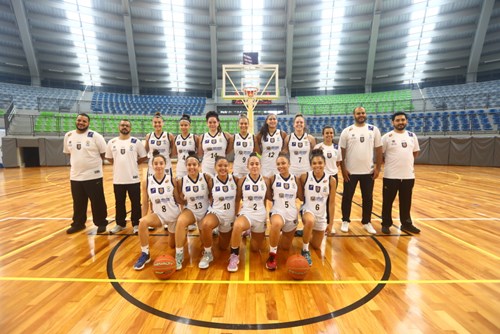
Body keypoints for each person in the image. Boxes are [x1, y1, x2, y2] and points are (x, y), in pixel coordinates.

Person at [133, 151, 182, 270]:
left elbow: (178, 199)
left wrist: (184, 216)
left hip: (174, 216)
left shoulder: (172, 180)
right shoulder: (147, 181)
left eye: (161, 163)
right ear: (152, 165)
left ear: (165, 165)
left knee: (172, 245)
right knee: (143, 223)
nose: (158, 166)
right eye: (156, 163)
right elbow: (145, 202)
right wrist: (143, 217)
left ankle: (179, 252)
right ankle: (145, 253)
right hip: (159, 215)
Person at [338, 106, 382, 234]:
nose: (361, 115)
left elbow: (379, 150)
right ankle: (345, 221)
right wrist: (343, 169)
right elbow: (342, 153)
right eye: (358, 113)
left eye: (363, 112)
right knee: (347, 197)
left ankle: (367, 222)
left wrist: (378, 168)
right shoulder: (347, 131)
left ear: (366, 114)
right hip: (351, 172)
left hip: (368, 172)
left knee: (368, 198)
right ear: (354, 115)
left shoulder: (374, 130)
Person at [63, 113, 108, 234]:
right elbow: (68, 153)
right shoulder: (69, 135)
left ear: (88, 123)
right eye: (79, 120)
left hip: (93, 175)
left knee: (97, 201)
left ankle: (101, 223)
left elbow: (104, 153)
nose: (81, 123)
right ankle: (78, 224)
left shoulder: (95, 136)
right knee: (78, 202)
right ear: (76, 121)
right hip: (75, 176)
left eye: (84, 121)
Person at [381, 112, 421, 235]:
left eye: (403, 120)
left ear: (407, 121)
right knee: (387, 202)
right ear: (393, 122)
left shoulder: (412, 136)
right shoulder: (387, 137)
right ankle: (386, 224)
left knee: (406, 201)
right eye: (397, 120)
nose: (400, 122)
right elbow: (380, 154)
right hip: (390, 176)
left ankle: (406, 224)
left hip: (408, 176)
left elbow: (415, 153)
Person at [105, 119, 148, 234]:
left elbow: (143, 156)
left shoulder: (136, 142)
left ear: (130, 128)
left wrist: (134, 163)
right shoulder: (112, 142)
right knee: (119, 202)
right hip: (118, 179)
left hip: (133, 178)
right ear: (119, 127)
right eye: (123, 125)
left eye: (127, 126)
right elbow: (109, 158)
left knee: (135, 202)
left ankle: (136, 224)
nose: (125, 127)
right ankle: (120, 224)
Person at [227, 153, 268, 272]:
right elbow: (237, 199)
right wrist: (235, 216)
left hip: (260, 215)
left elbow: (266, 199)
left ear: (260, 165)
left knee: (256, 248)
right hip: (247, 213)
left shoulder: (266, 180)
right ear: (247, 166)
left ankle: (249, 230)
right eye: (252, 164)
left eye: (256, 164)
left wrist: (265, 216)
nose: (254, 166)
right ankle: (234, 255)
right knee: (238, 225)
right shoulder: (242, 181)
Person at [198, 156, 238, 269]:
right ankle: (207, 254)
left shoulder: (235, 180)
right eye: (220, 165)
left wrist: (236, 215)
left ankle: (218, 231)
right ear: (215, 167)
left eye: (225, 165)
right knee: (205, 224)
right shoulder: (211, 180)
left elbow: (238, 198)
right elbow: (209, 196)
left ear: (229, 167)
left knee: (223, 247)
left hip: (229, 216)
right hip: (216, 213)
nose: (223, 168)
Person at [265, 153, 303, 270]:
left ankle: (277, 236)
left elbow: (301, 197)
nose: (280, 166)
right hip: (278, 210)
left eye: (283, 163)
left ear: (289, 164)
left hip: (291, 213)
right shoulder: (273, 178)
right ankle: (272, 255)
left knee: (285, 247)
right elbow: (269, 196)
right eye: (278, 164)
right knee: (276, 224)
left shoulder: (296, 179)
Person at [175, 152, 212, 270]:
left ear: (199, 165)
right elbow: (180, 199)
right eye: (189, 165)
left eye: (194, 164)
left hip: (205, 210)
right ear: (185, 166)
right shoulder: (181, 181)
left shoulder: (206, 177)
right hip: (191, 210)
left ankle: (208, 253)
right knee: (180, 222)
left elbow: (212, 195)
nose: (192, 167)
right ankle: (179, 254)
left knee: (204, 239)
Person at [299, 149, 336, 265]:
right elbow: (300, 196)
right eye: (314, 163)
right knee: (310, 221)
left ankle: (305, 232)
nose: (317, 165)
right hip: (307, 210)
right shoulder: (305, 177)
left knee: (316, 246)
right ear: (311, 165)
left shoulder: (331, 180)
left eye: (320, 163)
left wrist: (331, 224)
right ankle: (304, 250)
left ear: (325, 164)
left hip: (321, 215)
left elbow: (331, 203)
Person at [314, 126, 342, 235]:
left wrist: (331, 171)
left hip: (333, 177)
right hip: (321, 177)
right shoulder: (318, 147)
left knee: (331, 201)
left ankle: (330, 225)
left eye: (331, 133)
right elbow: (315, 161)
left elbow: (338, 162)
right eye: (327, 133)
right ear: (323, 134)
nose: (329, 135)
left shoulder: (336, 147)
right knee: (320, 200)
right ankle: (318, 223)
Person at [198, 111, 233, 177]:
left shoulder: (226, 135)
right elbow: (200, 153)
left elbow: (229, 149)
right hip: (207, 166)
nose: (212, 124)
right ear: (207, 123)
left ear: (218, 123)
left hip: (221, 166)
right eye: (210, 122)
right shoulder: (202, 136)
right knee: (208, 186)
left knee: (220, 186)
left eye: (214, 122)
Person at [255, 113, 287, 178]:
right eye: (270, 119)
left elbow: (285, 147)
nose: (272, 121)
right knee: (265, 185)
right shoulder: (261, 134)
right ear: (267, 121)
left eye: (274, 119)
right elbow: (256, 145)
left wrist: (282, 154)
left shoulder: (282, 134)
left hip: (278, 165)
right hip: (265, 165)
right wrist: (261, 153)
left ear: (277, 121)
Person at [174, 114, 197, 179]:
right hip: (180, 167)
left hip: (192, 167)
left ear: (189, 126)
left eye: (185, 125)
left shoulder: (195, 138)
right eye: (181, 125)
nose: (183, 127)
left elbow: (199, 153)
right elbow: (175, 153)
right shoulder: (176, 138)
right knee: (180, 186)